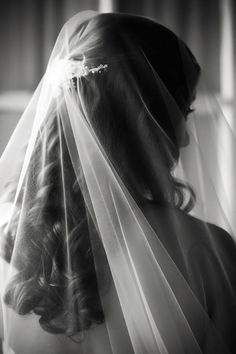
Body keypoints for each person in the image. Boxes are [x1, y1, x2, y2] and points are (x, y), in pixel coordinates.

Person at [0, 10, 235, 354]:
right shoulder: (205, 251)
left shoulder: (14, 253)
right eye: (183, 113)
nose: (185, 140)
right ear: (149, 121)